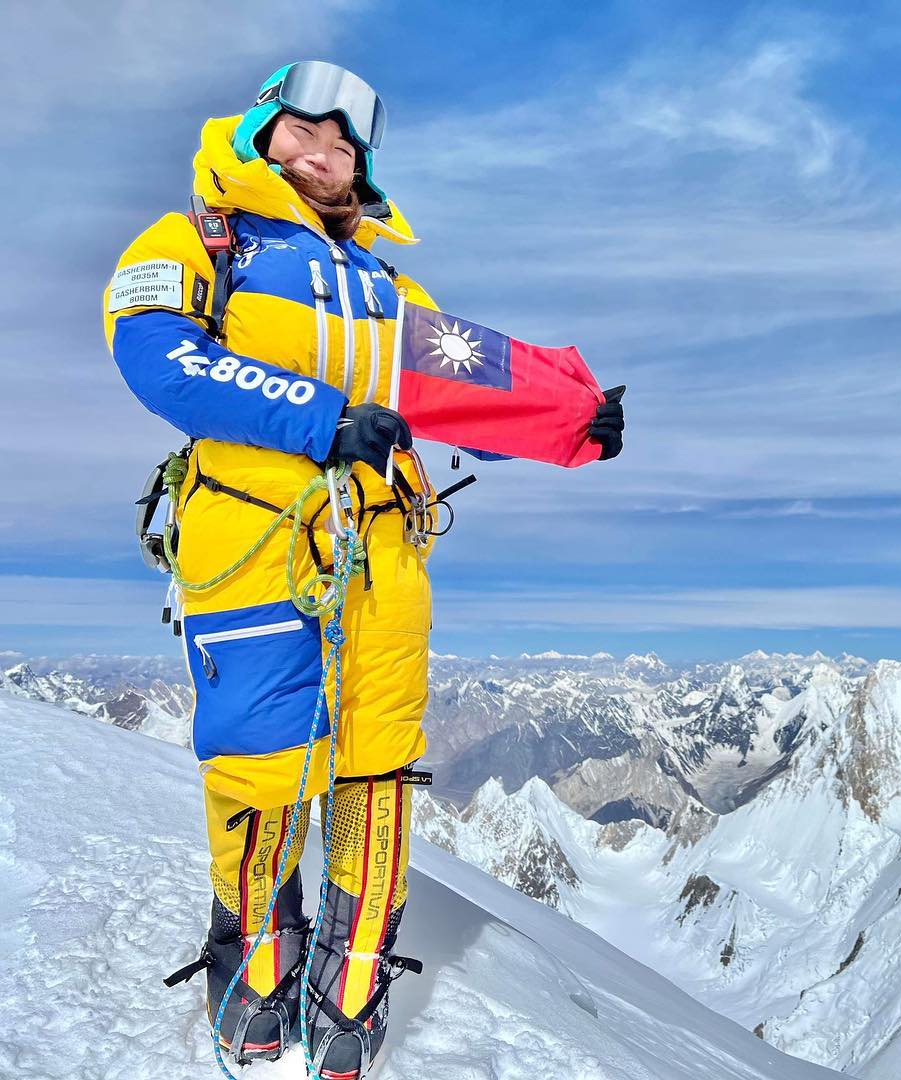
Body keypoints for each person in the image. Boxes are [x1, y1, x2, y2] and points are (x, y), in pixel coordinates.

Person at [101, 61, 624, 1077]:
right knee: (261, 768)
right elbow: (159, 355)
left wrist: (577, 418)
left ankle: (351, 996)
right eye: (304, 132)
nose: (324, 152)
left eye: (344, 146)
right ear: (258, 132)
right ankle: (254, 987)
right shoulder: (203, 241)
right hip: (253, 548)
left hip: (383, 563)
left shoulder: (387, 292)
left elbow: (470, 375)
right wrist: (320, 419)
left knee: (377, 773)